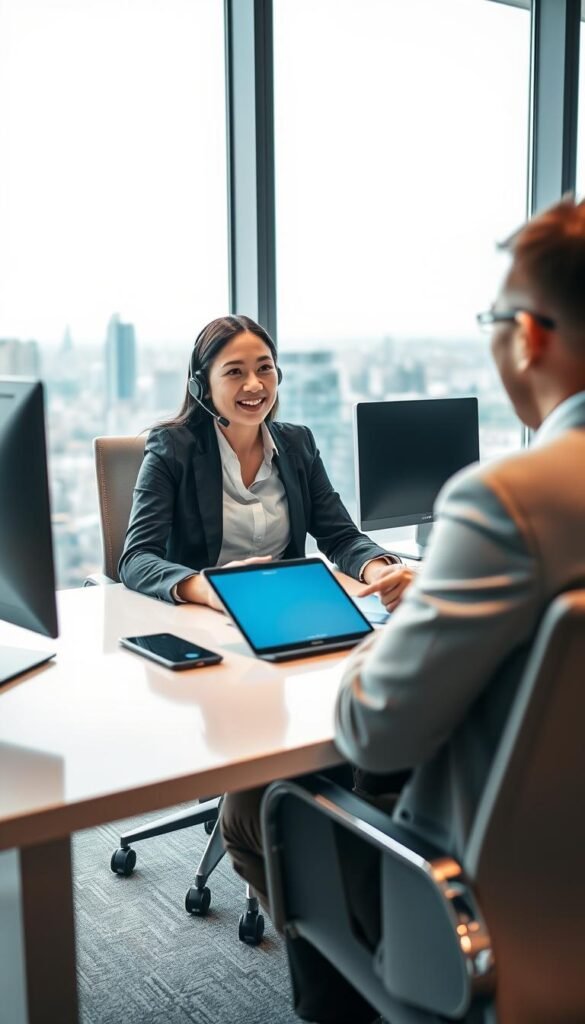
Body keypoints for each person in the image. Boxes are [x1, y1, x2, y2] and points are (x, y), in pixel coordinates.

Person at [220, 197, 585, 1023]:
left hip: (487, 909)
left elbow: (374, 728)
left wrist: (378, 644)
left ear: (526, 335)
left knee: (269, 800)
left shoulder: (507, 502)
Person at [119, 314, 413, 609]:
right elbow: (137, 558)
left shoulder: (298, 444)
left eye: (264, 368)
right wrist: (211, 588)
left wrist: (381, 570)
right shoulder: (172, 448)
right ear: (202, 386)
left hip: (284, 607)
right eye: (235, 372)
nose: (254, 384)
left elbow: (340, 536)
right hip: (202, 616)